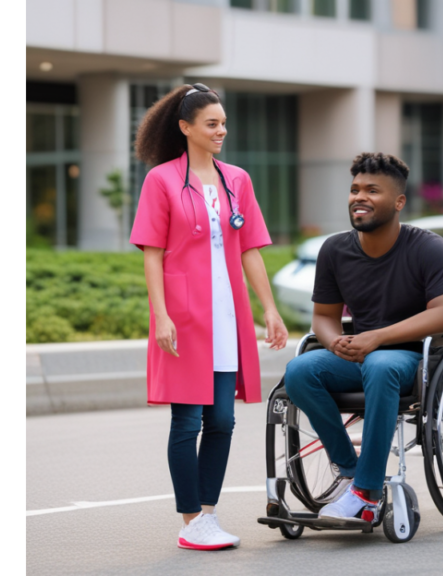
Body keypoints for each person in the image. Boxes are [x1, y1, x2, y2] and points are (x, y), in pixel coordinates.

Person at [130, 83, 289, 550]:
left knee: (222, 420)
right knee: (187, 422)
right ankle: (190, 521)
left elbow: (252, 250)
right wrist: (160, 315)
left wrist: (270, 310)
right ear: (186, 128)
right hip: (183, 315)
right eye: (212, 124)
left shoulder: (237, 179)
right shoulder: (161, 179)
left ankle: (208, 514)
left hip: (228, 317)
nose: (222, 130)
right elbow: (152, 254)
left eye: (223, 123)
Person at [283, 152, 443, 523]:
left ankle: (367, 496)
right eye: (354, 190)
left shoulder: (426, 247)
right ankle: (353, 473)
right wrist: (335, 341)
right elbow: (323, 317)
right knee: (300, 370)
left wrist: (377, 338)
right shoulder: (335, 250)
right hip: (362, 356)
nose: (359, 197)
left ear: (399, 202)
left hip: (413, 359)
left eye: (372, 190)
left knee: (382, 364)